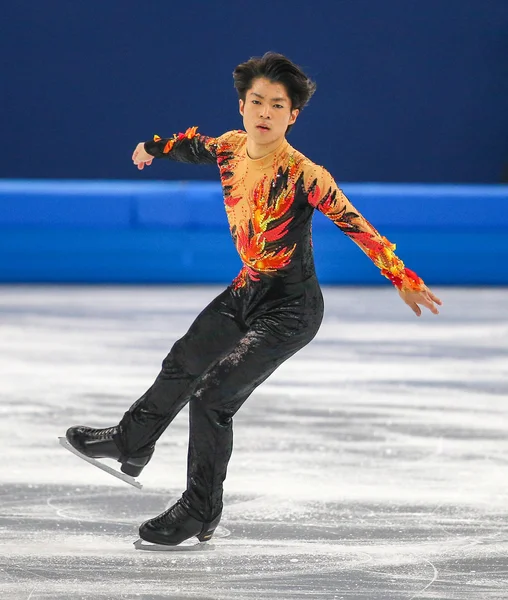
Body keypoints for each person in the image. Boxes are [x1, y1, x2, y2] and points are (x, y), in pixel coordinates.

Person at [65, 52, 442, 547]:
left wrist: (400, 274)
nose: (264, 112)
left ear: (292, 116)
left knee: (213, 397)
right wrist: (151, 147)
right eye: (256, 102)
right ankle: (131, 439)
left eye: (276, 105)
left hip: (290, 309)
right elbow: (189, 146)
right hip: (248, 289)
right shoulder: (229, 148)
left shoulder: (307, 174)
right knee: (184, 359)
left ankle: (200, 510)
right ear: (242, 107)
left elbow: (355, 225)